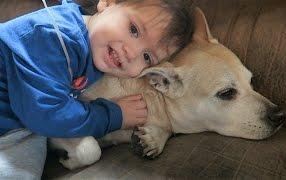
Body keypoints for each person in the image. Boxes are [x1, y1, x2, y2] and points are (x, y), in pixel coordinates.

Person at [0, 0, 194, 179]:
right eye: (134, 30)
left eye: (146, 57)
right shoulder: (57, 38)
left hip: (15, 124)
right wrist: (114, 116)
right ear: (107, 3)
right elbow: (46, 114)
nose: (132, 52)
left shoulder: (93, 47)